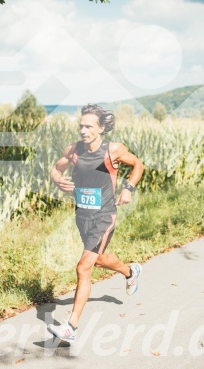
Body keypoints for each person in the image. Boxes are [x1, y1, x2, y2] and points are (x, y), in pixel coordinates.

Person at [48, 103, 144, 343]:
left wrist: (128, 188)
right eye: (81, 125)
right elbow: (56, 168)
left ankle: (71, 327)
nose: (83, 130)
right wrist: (58, 180)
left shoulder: (113, 150)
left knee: (83, 267)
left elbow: (138, 165)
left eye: (89, 126)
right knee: (98, 258)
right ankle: (130, 272)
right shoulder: (74, 149)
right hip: (82, 215)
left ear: (101, 128)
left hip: (105, 215)